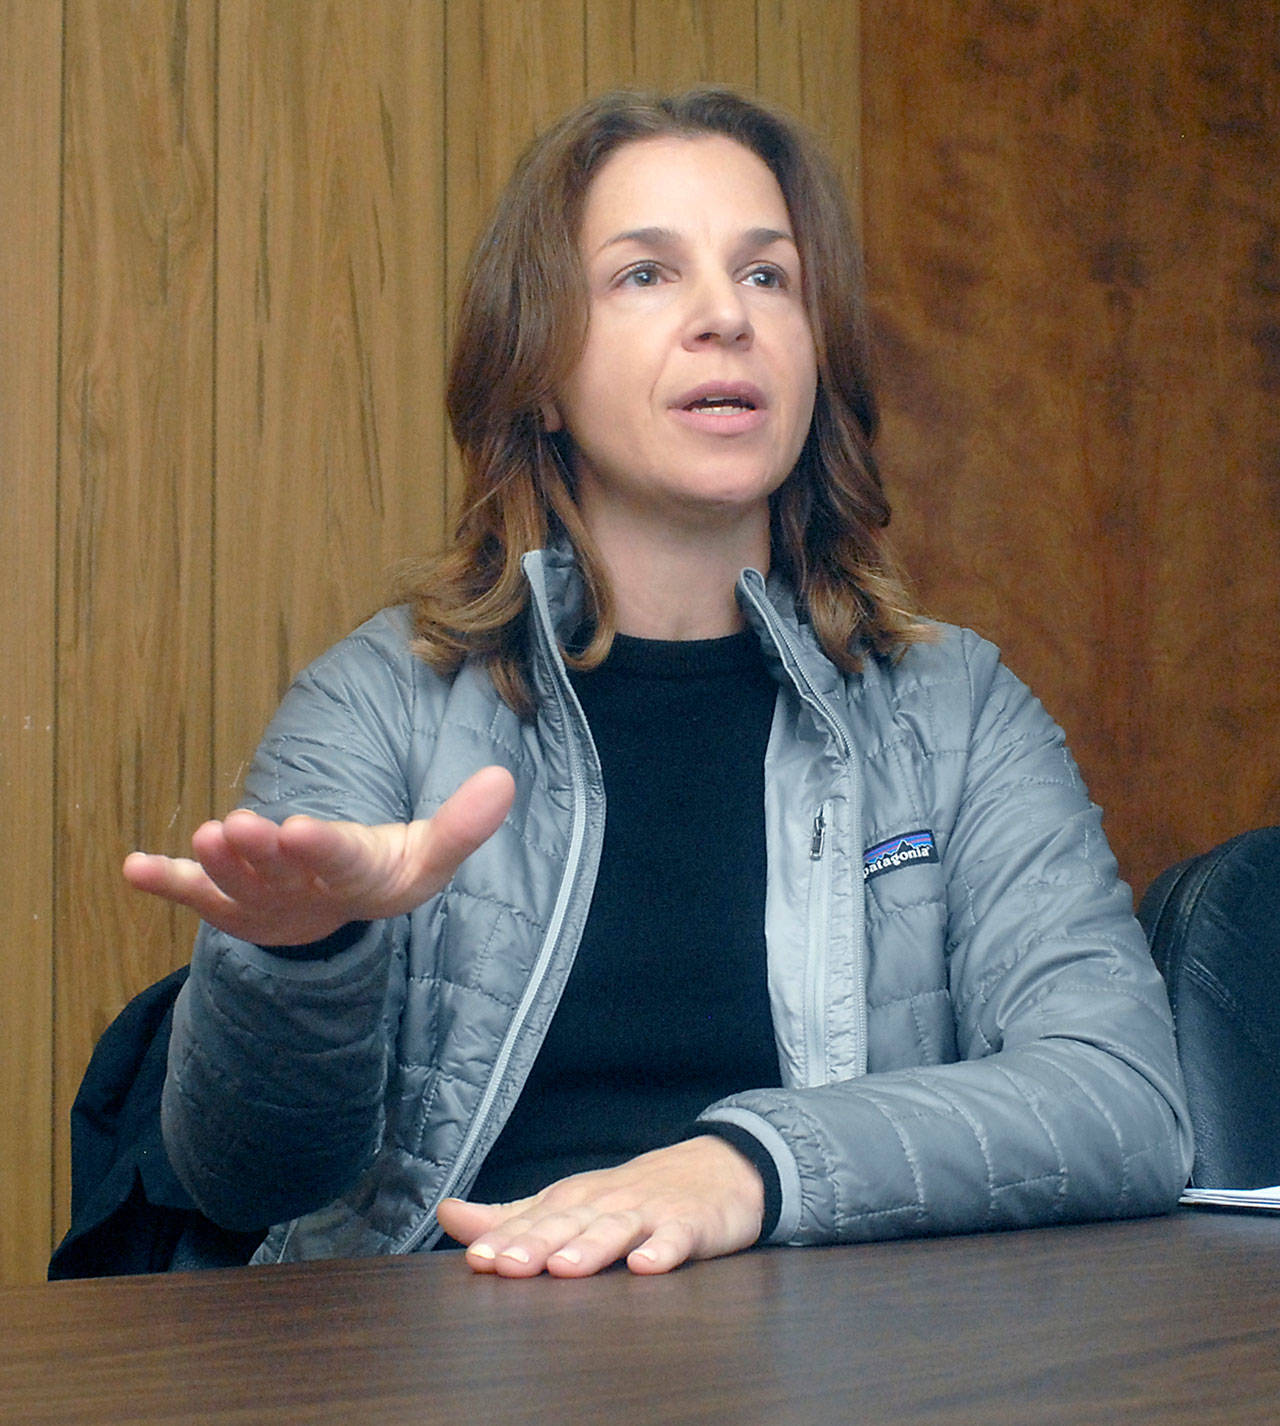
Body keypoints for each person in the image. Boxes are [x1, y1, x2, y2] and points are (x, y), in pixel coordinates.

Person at [124, 87, 1193, 1278]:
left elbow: (1121, 1096)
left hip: (838, 1371)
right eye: (644, 275)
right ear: (535, 370)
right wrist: (300, 958)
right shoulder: (378, 701)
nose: (722, 319)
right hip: (441, 1352)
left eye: (767, 277)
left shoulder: (955, 711)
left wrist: (743, 1166)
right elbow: (245, 1178)